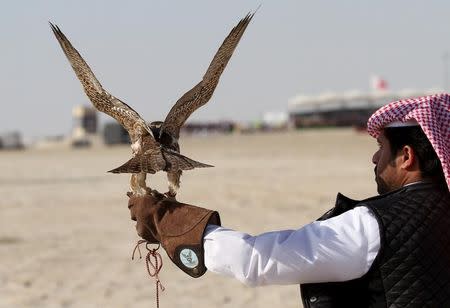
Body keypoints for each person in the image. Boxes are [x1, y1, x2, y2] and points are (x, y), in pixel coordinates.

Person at [128, 93, 450, 307]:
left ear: (406, 156)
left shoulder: (375, 224)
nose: (375, 157)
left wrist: (167, 219)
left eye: (382, 146)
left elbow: (256, 261)